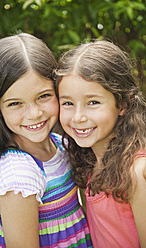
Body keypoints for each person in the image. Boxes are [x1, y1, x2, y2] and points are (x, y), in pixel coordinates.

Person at [0, 33, 92, 248]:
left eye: (43, 97)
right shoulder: (18, 176)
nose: (34, 114)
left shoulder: (60, 144)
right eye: (15, 104)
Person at [55, 40, 146, 248]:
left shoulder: (137, 172)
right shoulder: (88, 161)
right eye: (68, 103)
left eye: (93, 102)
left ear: (122, 104)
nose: (78, 117)